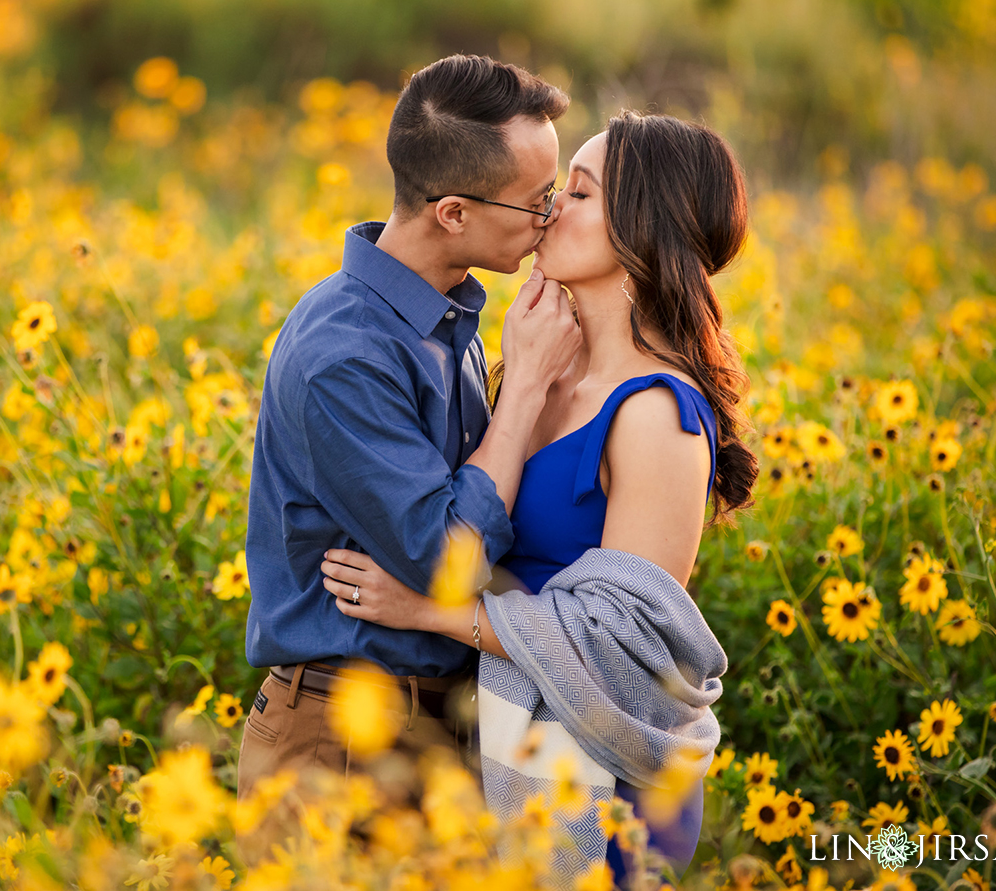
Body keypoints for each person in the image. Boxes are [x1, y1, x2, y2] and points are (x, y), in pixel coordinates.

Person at [319, 111, 758, 886]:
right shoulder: (544, 370)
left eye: (579, 194)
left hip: (602, 784)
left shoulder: (655, 412)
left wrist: (426, 609)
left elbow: (623, 644)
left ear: (638, 233)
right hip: (511, 750)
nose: (551, 209)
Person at [235, 53, 583, 858]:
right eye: (538, 201)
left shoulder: (440, 316)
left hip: (426, 725)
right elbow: (450, 556)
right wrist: (525, 386)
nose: (552, 217)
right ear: (453, 212)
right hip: (342, 742)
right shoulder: (346, 353)